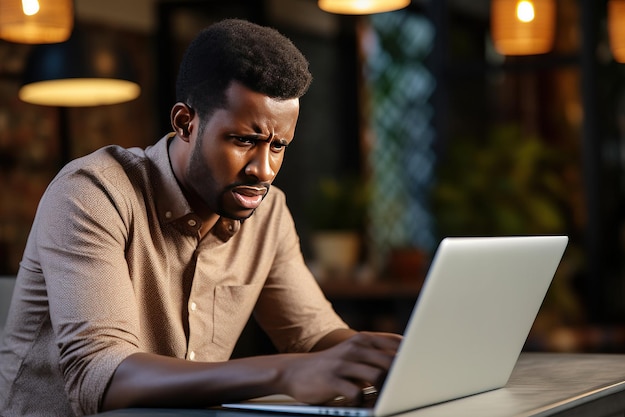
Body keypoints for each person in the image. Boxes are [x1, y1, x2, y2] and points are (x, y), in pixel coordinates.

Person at [0, 18, 401, 417]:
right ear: (185, 123)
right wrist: (282, 372)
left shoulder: (268, 212)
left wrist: (389, 357)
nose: (263, 169)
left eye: (278, 145)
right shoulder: (93, 192)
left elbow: (314, 338)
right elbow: (99, 376)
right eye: (245, 140)